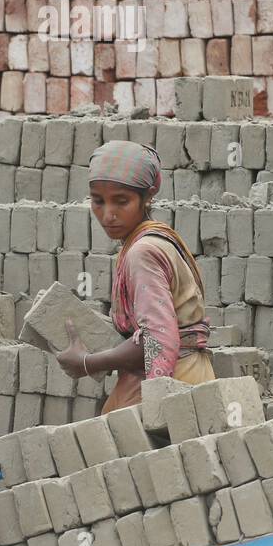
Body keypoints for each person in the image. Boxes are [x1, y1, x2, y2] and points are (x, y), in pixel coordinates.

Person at [54, 140, 215, 413]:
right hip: (173, 375)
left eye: (122, 201)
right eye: (98, 201)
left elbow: (158, 337)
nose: (108, 214)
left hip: (173, 381)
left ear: (148, 196)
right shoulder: (151, 240)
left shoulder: (143, 252)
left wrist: (87, 363)